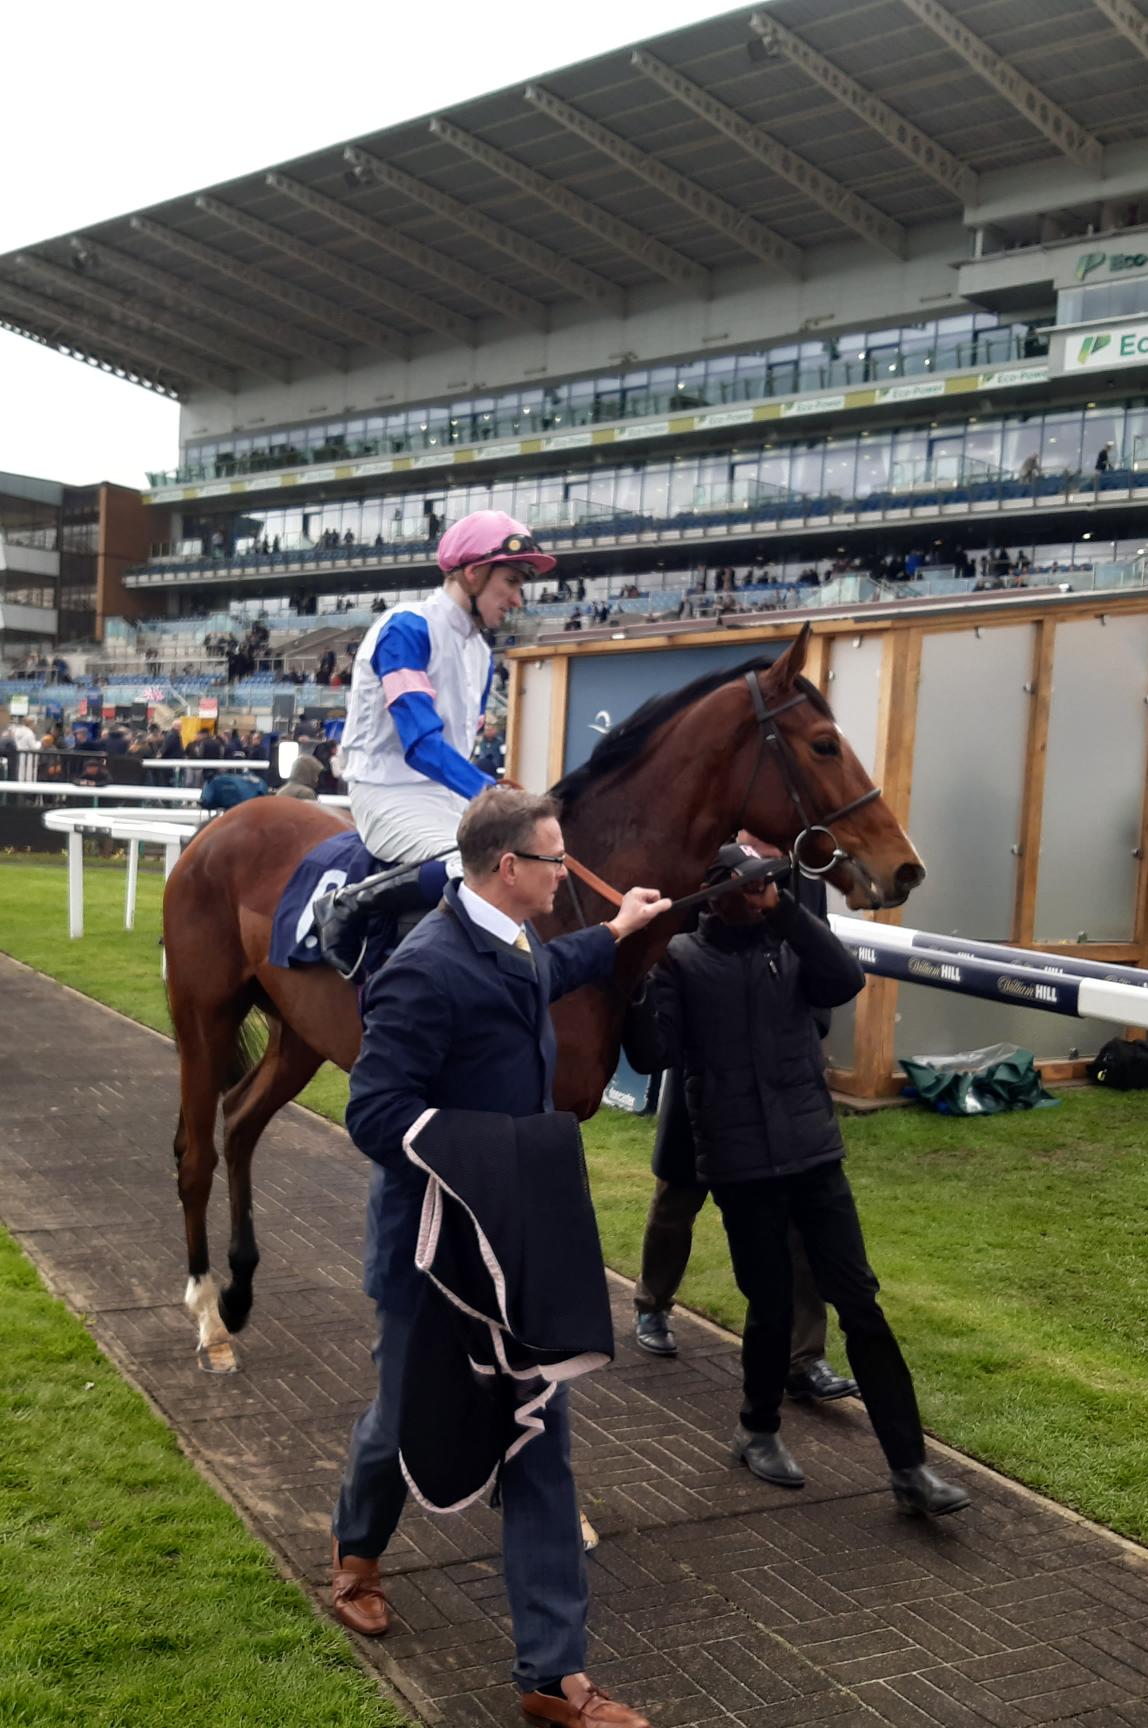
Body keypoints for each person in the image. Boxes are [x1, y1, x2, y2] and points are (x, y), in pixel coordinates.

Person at [332, 787, 671, 1728]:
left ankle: (553, 1678)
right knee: (400, 1421)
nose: (567, 874)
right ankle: (356, 1554)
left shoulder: (515, 938)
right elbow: (374, 1114)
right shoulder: (423, 969)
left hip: (512, 1251)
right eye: (556, 860)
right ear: (509, 866)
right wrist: (509, 1150)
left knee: (538, 1441)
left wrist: (617, 933)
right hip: (429, 1255)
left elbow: (544, 972)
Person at [626, 840, 969, 1515]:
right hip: (740, 1164)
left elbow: (843, 981)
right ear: (716, 892)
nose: (762, 893)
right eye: (749, 884)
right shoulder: (681, 960)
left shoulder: (788, 942)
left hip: (814, 1155)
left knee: (861, 1304)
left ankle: (910, 1468)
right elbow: (651, 1052)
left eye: (768, 883)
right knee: (772, 1306)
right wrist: (635, 979)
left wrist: (785, 911)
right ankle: (757, 1429)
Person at [316, 510, 545, 973]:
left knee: (528, 859)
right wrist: (489, 791)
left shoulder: (481, 654)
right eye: (511, 582)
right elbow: (421, 744)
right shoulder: (406, 627)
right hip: (385, 792)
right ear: (473, 573)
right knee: (474, 871)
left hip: (446, 797)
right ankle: (350, 903)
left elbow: (459, 750)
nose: (517, 599)